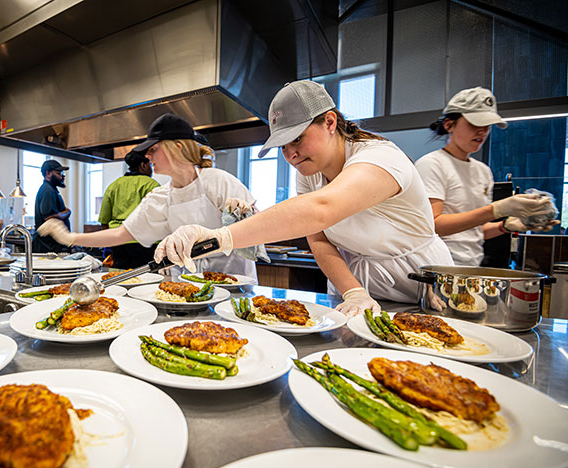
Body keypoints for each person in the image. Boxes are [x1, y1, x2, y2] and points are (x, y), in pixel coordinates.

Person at [152, 80, 455, 316]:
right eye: (282, 145)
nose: (291, 153)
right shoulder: (309, 172)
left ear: (330, 123)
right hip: (356, 286)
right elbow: (319, 239)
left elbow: (320, 210)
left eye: (297, 138)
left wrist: (220, 236)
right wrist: (353, 291)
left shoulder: (381, 158)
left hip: (420, 287)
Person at [38, 113, 259, 278]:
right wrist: (71, 237)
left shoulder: (218, 181)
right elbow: (121, 234)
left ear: (178, 147)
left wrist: (242, 217)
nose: (147, 155)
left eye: (153, 149)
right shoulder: (161, 197)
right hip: (191, 286)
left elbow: (254, 237)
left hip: (233, 283)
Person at [415, 87, 557, 266]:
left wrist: (503, 226)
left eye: (487, 125)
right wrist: (495, 210)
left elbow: (472, 231)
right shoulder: (432, 164)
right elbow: (433, 226)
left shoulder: (483, 171)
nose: (482, 131)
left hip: (471, 267)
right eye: (474, 124)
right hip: (439, 267)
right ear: (449, 125)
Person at [97, 150, 160, 268]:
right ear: (143, 165)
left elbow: (104, 221)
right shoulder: (151, 185)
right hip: (145, 243)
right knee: (146, 278)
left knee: (121, 277)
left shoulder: (114, 185)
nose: (151, 169)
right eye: (150, 165)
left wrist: (109, 244)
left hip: (119, 241)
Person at [31, 159, 72, 253]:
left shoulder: (52, 190)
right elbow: (50, 218)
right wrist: (67, 212)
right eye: (59, 173)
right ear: (48, 173)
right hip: (48, 249)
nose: (62, 176)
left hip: (52, 247)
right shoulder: (47, 190)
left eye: (63, 173)